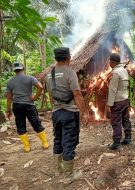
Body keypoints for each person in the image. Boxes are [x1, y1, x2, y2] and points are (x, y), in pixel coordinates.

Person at [45, 47, 85, 184]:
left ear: (56, 58)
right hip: (69, 113)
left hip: (56, 113)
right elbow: (77, 94)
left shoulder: (49, 75)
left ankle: (58, 169)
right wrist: (83, 113)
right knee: (69, 142)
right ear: (69, 58)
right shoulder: (70, 73)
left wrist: (53, 109)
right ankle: (68, 176)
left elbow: (51, 96)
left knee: (58, 140)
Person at [5, 61, 49, 152]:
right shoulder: (30, 78)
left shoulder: (10, 82)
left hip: (17, 106)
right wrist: (35, 97)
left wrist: (8, 110)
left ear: (14, 71)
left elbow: (9, 98)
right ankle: (45, 143)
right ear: (23, 68)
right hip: (29, 105)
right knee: (36, 123)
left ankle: (27, 147)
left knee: (20, 125)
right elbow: (40, 87)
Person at [107, 53, 132, 150]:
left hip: (117, 101)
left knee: (116, 121)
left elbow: (112, 89)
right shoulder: (124, 70)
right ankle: (128, 137)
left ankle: (116, 142)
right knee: (125, 118)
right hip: (125, 99)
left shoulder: (116, 72)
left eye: (109, 61)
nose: (109, 63)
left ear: (113, 62)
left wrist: (109, 104)